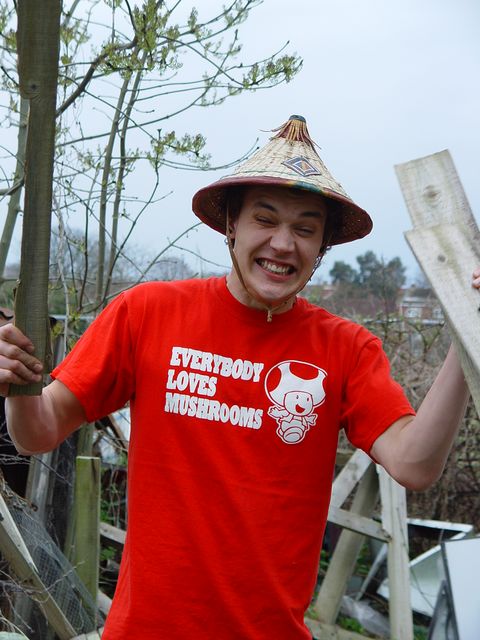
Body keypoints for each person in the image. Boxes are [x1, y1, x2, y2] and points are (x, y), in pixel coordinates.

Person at [0, 115, 478, 639]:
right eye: (264, 219)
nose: (283, 243)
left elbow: (414, 464)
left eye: (305, 229)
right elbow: (37, 432)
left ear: (322, 246)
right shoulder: (146, 313)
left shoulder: (346, 349)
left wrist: (468, 331)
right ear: (231, 224)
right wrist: (18, 383)